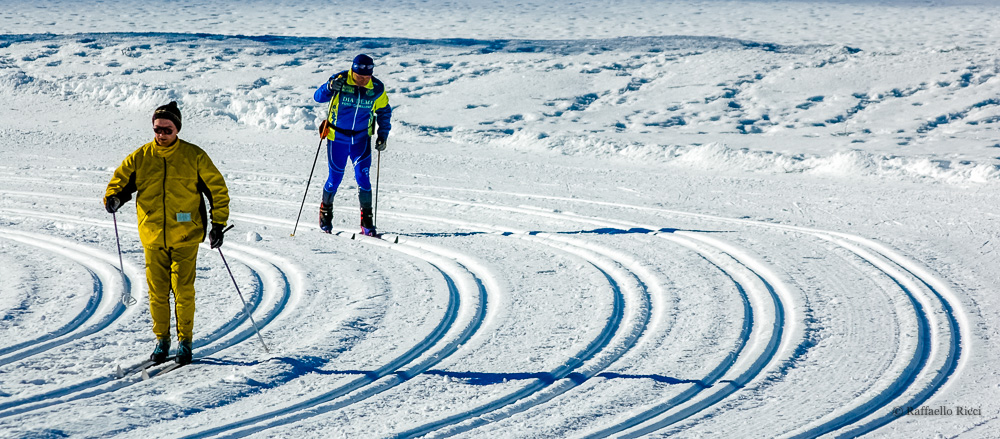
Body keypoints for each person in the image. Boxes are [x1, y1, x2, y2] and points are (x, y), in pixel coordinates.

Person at [104, 101, 230, 365]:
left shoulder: (194, 156)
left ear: (177, 130)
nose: (161, 134)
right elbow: (120, 181)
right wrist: (113, 198)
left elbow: (217, 190)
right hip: (152, 237)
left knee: (183, 291)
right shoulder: (141, 157)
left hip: (185, 235)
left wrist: (218, 224)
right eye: (157, 129)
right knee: (158, 293)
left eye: (167, 129)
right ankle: (162, 341)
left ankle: (185, 342)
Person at [313, 53, 392, 236]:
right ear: (352, 71)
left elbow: (384, 112)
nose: (363, 81)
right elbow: (318, 97)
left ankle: (367, 224)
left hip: (361, 139)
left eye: (366, 77)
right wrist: (329, 87)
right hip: (337, 139)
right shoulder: (340, 80)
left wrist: (383, 134)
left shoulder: (377, 88)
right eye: (359, 77)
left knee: (363, 178)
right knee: (335, 179)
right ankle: (325, 215)